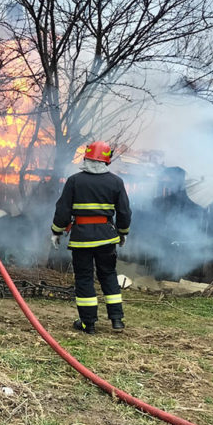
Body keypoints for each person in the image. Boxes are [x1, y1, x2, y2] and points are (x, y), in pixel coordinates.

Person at [50, 140, 132, 334]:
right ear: (106, 160)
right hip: (106, 237)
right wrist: (123, 233)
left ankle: (88, 323)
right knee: (109, 274)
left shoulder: (75, 180)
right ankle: (117, 320)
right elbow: (124, 212)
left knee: (85, 278)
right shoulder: (116, 182)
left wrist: (56, 231)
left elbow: (62, 210)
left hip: (82, 238)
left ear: (86, 158)